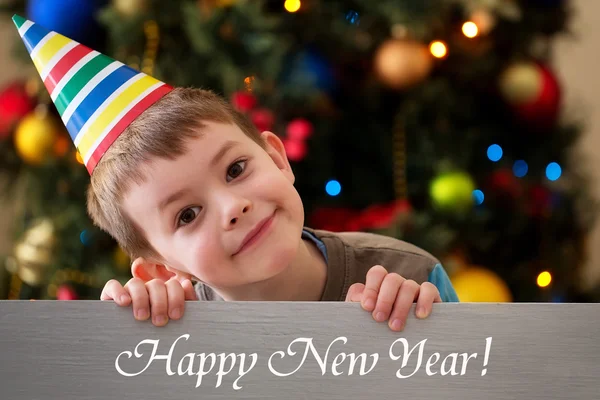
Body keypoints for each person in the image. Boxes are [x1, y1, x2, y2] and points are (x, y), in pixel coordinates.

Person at [14, 14, 459, 333]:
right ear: (159, 269)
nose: (233, 207)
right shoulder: (172, 335)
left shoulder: (412, 275)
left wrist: (434, 340)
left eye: (235, 169)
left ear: (278, 159)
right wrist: (130, 349)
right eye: (187, 215)